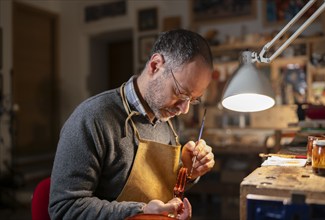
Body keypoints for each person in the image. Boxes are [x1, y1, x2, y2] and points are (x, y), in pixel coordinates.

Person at [49, 29, 215, 220]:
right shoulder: (91, 119)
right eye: (180, 92)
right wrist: (139, 211)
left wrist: (188, 172)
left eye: (193, 100)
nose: (184, 109)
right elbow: (64, 208)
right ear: (155, 66)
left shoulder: (167, 119)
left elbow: (160, 188)